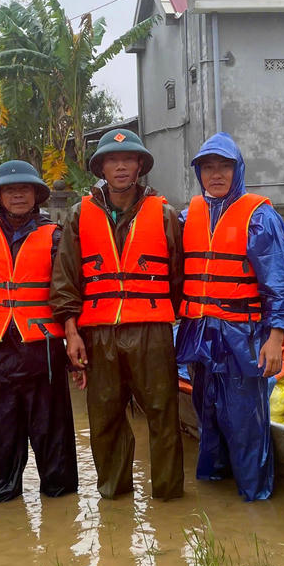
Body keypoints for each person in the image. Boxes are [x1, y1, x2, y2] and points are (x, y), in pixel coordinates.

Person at [51, 128, 185, 501]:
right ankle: (114, 495)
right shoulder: (79, 216)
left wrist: (160, 312)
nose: (121, 166)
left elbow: (177, 275)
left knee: (162, 413)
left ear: (140, 165)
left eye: (128, 160)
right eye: (112, 160)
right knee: (105, 418)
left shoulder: (165, 214)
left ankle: (168, 498)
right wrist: (71, 332)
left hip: (151, 330)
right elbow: (66, 278)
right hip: (99, 332)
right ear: (102, 168)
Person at [0, 160, 78, 502]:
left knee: (54, 441)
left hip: (44, 352)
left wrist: (76, 348)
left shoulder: (55, 238)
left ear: (36, 195)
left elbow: (70, 294)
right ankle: (4, 521)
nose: (18, 194)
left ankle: (62, 516)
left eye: (25, 188)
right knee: (1, 443)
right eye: (10, 189)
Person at [176, 133, 284, 501]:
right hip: (199, 335)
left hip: (242, 336)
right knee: (207, 418)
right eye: (208, 167)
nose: (215, 174)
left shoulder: (259, 217)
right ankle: (214, 496)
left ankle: (254, 498)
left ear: (237, 170)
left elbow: (278, 284)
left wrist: (275, 339)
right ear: (199, 173)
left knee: (245, 424)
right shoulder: (186, 216)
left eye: (223, 166)